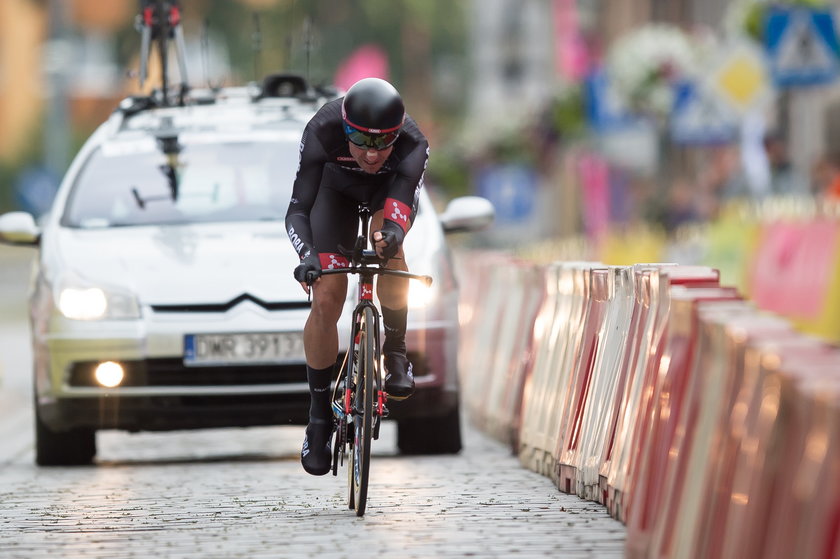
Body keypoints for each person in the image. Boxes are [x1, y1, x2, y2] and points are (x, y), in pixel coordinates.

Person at [285, 77, 429, 476]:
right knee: (328, 293)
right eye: (362, 142)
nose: (371, 154)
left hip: (388, 193)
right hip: (336, 192)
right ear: (345, 129)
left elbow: (402, 203)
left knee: (390, 250)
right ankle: (318, 418)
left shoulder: (412, 143)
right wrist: (307, 255)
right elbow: (298, 209)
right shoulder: (320, 131)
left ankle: (395, 351)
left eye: (383, 143)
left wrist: (394, 232)